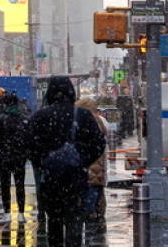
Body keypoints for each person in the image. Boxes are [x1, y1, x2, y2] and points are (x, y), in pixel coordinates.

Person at [27, 76, 106, 247]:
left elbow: (29, 146)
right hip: (76, 179)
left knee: (54, 223)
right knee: (74, 223)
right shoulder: (83, 115)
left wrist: (44, 162)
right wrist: (82, 161)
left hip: (50, 180)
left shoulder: (39, 117)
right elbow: (99, 143)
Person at [0, 93, 30, 223]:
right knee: (20, 185)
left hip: (5, 157)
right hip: (19, 157)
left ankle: (7, 212)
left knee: (5, 185)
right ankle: (21, 213)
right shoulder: (23, 119)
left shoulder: (0, 119)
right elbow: (28, 139)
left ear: (5, 104)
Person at [75, 97, 110, 232]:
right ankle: (97, 211)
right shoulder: (100, 121)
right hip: (98, 159)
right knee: (96, 186)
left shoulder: (83, 121)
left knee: (91, 186)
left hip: (89, 160)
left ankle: (89, 212)